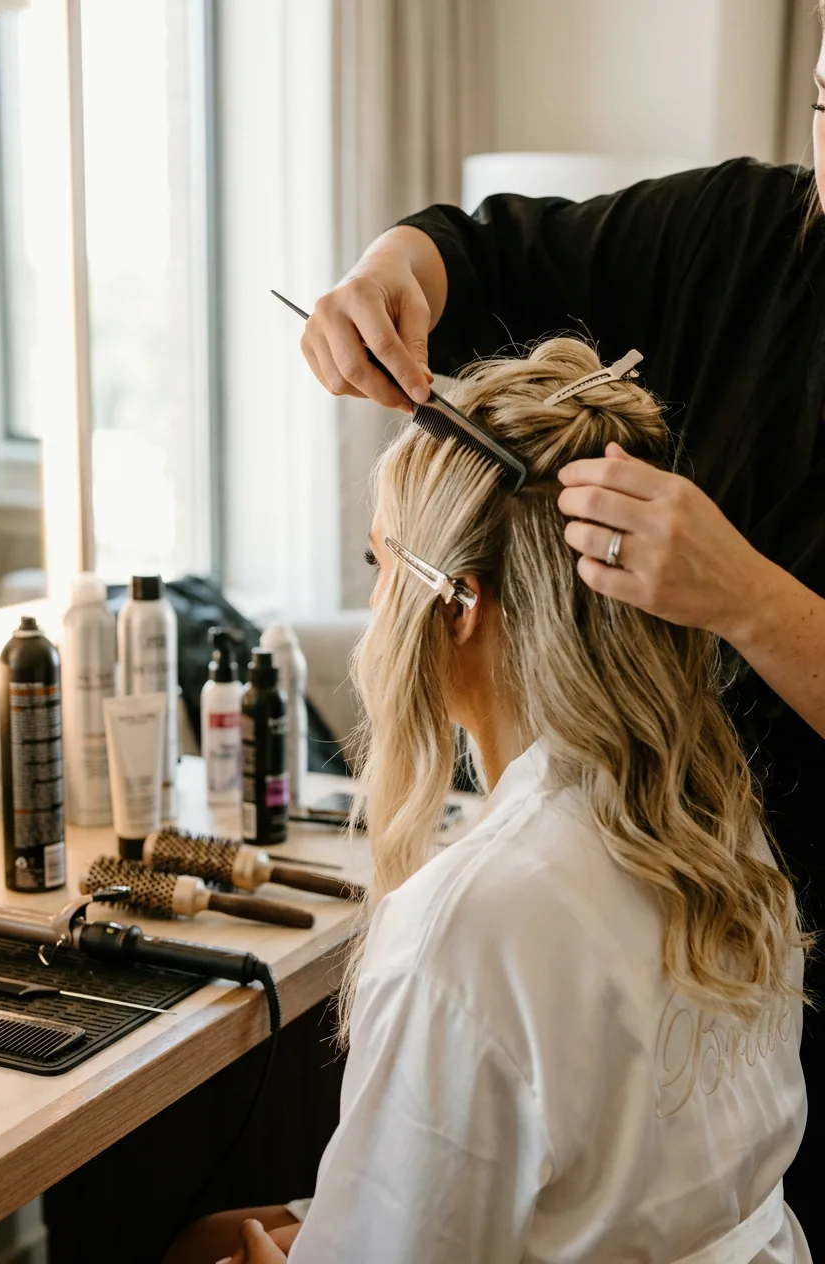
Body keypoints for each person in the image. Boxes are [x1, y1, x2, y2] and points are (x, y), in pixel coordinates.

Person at [297, 21, 825, 1249]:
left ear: (456, 601)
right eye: (822, 98)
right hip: (717, 928)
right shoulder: (754, 237)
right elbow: (485, 250)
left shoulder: (469, 940)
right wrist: (394, 275)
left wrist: (747, 597)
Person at [170, 340, 810, 1263]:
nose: (378, 600)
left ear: (460, 602)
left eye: (381, 563)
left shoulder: (468, 926)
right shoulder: (711, 818)